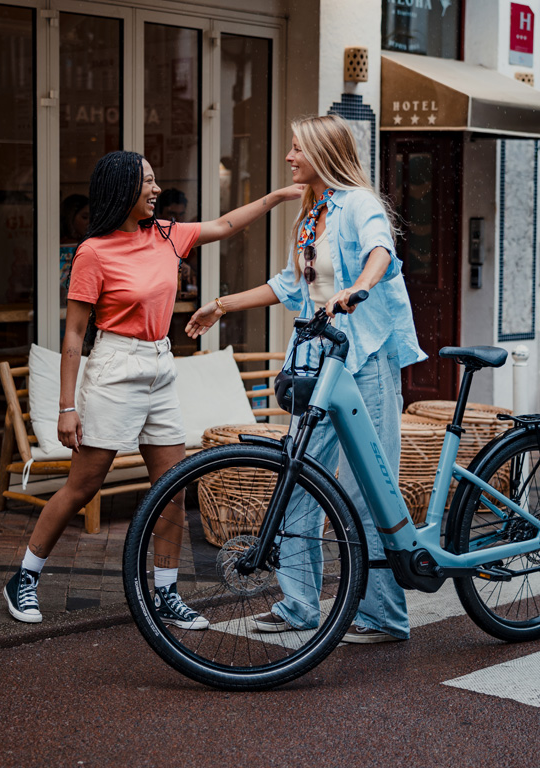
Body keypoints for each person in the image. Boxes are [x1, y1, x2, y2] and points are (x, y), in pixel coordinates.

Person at [4, 150, 302, 625]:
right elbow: (75, 335)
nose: (157, 189)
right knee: (82, 487)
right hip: (114, 368)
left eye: (155, 180)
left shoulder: (167, 235)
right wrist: (66, 406)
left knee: (172, 489)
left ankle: (165, 592)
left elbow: (225, 226)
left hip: (161, 365)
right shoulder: (93, 251)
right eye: (147, 182)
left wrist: (282, 195)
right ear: (122, 189)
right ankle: (24, 577)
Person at [186, 114, 427, 644]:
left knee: (370, 486)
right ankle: (299, 604)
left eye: (297, 148)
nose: (290, 156)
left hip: (364, 359)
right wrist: (222, 306)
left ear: (323, 152)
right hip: (322, 362)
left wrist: (356, 290)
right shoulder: (313, 215)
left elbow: (381, 253)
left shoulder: (358, 202)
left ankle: (383, 614)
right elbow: (292, 285)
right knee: (298, 477)